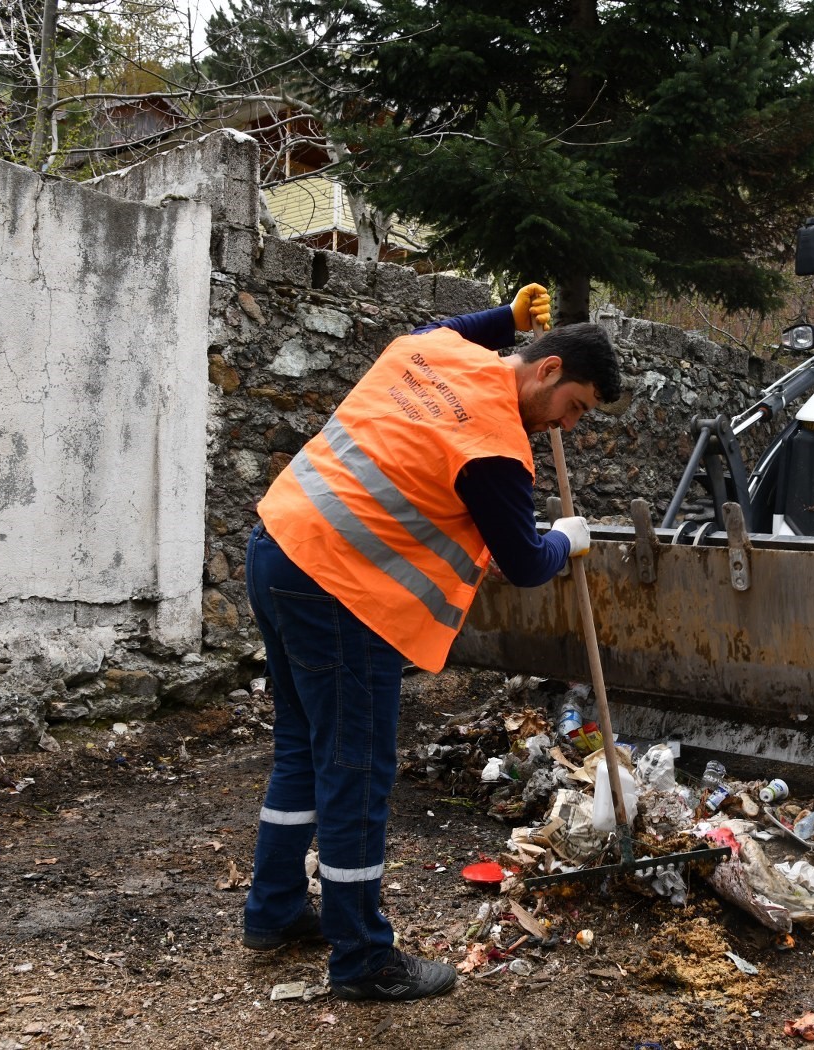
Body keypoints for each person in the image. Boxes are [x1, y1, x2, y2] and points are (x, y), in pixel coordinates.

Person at [240, 284, 621, 1002]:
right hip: (342, 591)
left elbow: (445, 324)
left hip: (277, 545)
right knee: (355, 770)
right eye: (574, 407)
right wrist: (563, 540)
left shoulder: (429, 351)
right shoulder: (497, 452)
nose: (566, 426)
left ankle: (275, 910)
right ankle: (360, 961)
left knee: (301, 747)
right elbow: (520, 563)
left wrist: (505, 319)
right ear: (546, 370)